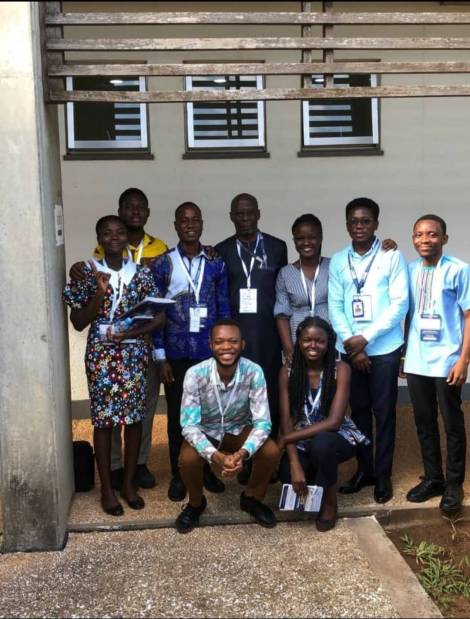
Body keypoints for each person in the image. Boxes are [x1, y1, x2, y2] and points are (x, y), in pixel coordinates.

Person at [63, 215, 165, 516]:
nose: (114, 237)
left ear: (126, 238)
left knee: (133, 420)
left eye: (119, 232)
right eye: (107, 233)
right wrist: (99, 293)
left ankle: (128, 485)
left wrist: (132, 332)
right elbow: (78, 322)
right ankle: (107, 489)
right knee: (104, 422)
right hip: (102, 357)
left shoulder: (142, 274)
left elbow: (159, 317)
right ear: (99, 239)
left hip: (133, 355)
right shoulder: (87, 272)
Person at [328, 197, 409, 504]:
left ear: (376, 223)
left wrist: (366, 338)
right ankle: (365, 469)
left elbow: (399, 304)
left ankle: (383, 475)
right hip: (349, 349)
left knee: (384, 412)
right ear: (347, 224)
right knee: (358, 411)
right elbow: (335, 305)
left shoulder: (391, 256)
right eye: (353, 221)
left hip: (384, 348)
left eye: (365, 221)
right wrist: (353, 342)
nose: (359, 226)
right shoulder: (339, 260)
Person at [151, 202, 231, 502]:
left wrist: (225, 352)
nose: (190, 224)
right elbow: (156, 313)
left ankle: (206, 468)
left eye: (195, 219)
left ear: (202, 224)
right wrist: (161, 358)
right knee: (178, 416)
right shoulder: (163, 264)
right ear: (175, 225)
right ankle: (179, 472)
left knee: (209, 415)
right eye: (184, 220)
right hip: (176, 355)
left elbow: (223, 308)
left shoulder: (215, 263)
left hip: (209, 353)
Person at [176, 319, 280, 533]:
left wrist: (242, 453)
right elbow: (189, 426)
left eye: (233, 341)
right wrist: (217, 457)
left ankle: (252, 498)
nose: (226, 347)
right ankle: (196, 504)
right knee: (187, 459)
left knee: (270, 451)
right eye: (219, 342)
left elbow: (263, 422)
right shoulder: (195, 374)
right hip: (207, 430)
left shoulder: (254, 372)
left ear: (242, 344)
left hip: (239, 428)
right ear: (211, 345)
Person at [402, 214, 470, 515]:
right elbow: (408, 314)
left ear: (444, 238)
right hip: (418, 359)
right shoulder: (409, 269)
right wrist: (405, 354)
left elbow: (469, 315)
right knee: (424, 422)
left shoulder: (459, 269)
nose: (424, 240)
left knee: (452, 422)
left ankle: (454, 484)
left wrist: (464, 360)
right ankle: (433, 478)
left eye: (431, 234)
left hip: (447, 360)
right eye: (418, 234)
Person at [278, 317, 369, 531]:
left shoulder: (340, 369)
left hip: (335, 436)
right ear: (299, 342)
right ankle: (316, 478)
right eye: (306, 340)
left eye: (319, 341)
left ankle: (329, 500)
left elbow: (334, 422)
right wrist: (295, 465)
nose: (313, 346)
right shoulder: (287, 372)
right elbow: (286, 421)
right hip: (301, 436)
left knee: (322, 444)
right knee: (286, 474)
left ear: (329, 344)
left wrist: (287, 438)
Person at [215, 193, 288, 452]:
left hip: (268, 335)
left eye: (249, 212)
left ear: (258, 214)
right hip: (236, 337)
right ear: (231, 217)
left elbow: (282, 293)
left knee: (270, 392)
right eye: (239, 213)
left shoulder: (277, 248)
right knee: (239, 394)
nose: (245, 218)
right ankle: (243, 453)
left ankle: (270, 451)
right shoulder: (221, 251)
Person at [275, 214, 329, 363]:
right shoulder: (285, 274)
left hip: (329, 344)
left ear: (321, 238)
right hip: (298, 345)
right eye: (300, 238)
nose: (306, 242)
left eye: (312, 237)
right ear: (294, 241)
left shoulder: (333, 267)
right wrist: (289, 349)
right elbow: (281, 315)